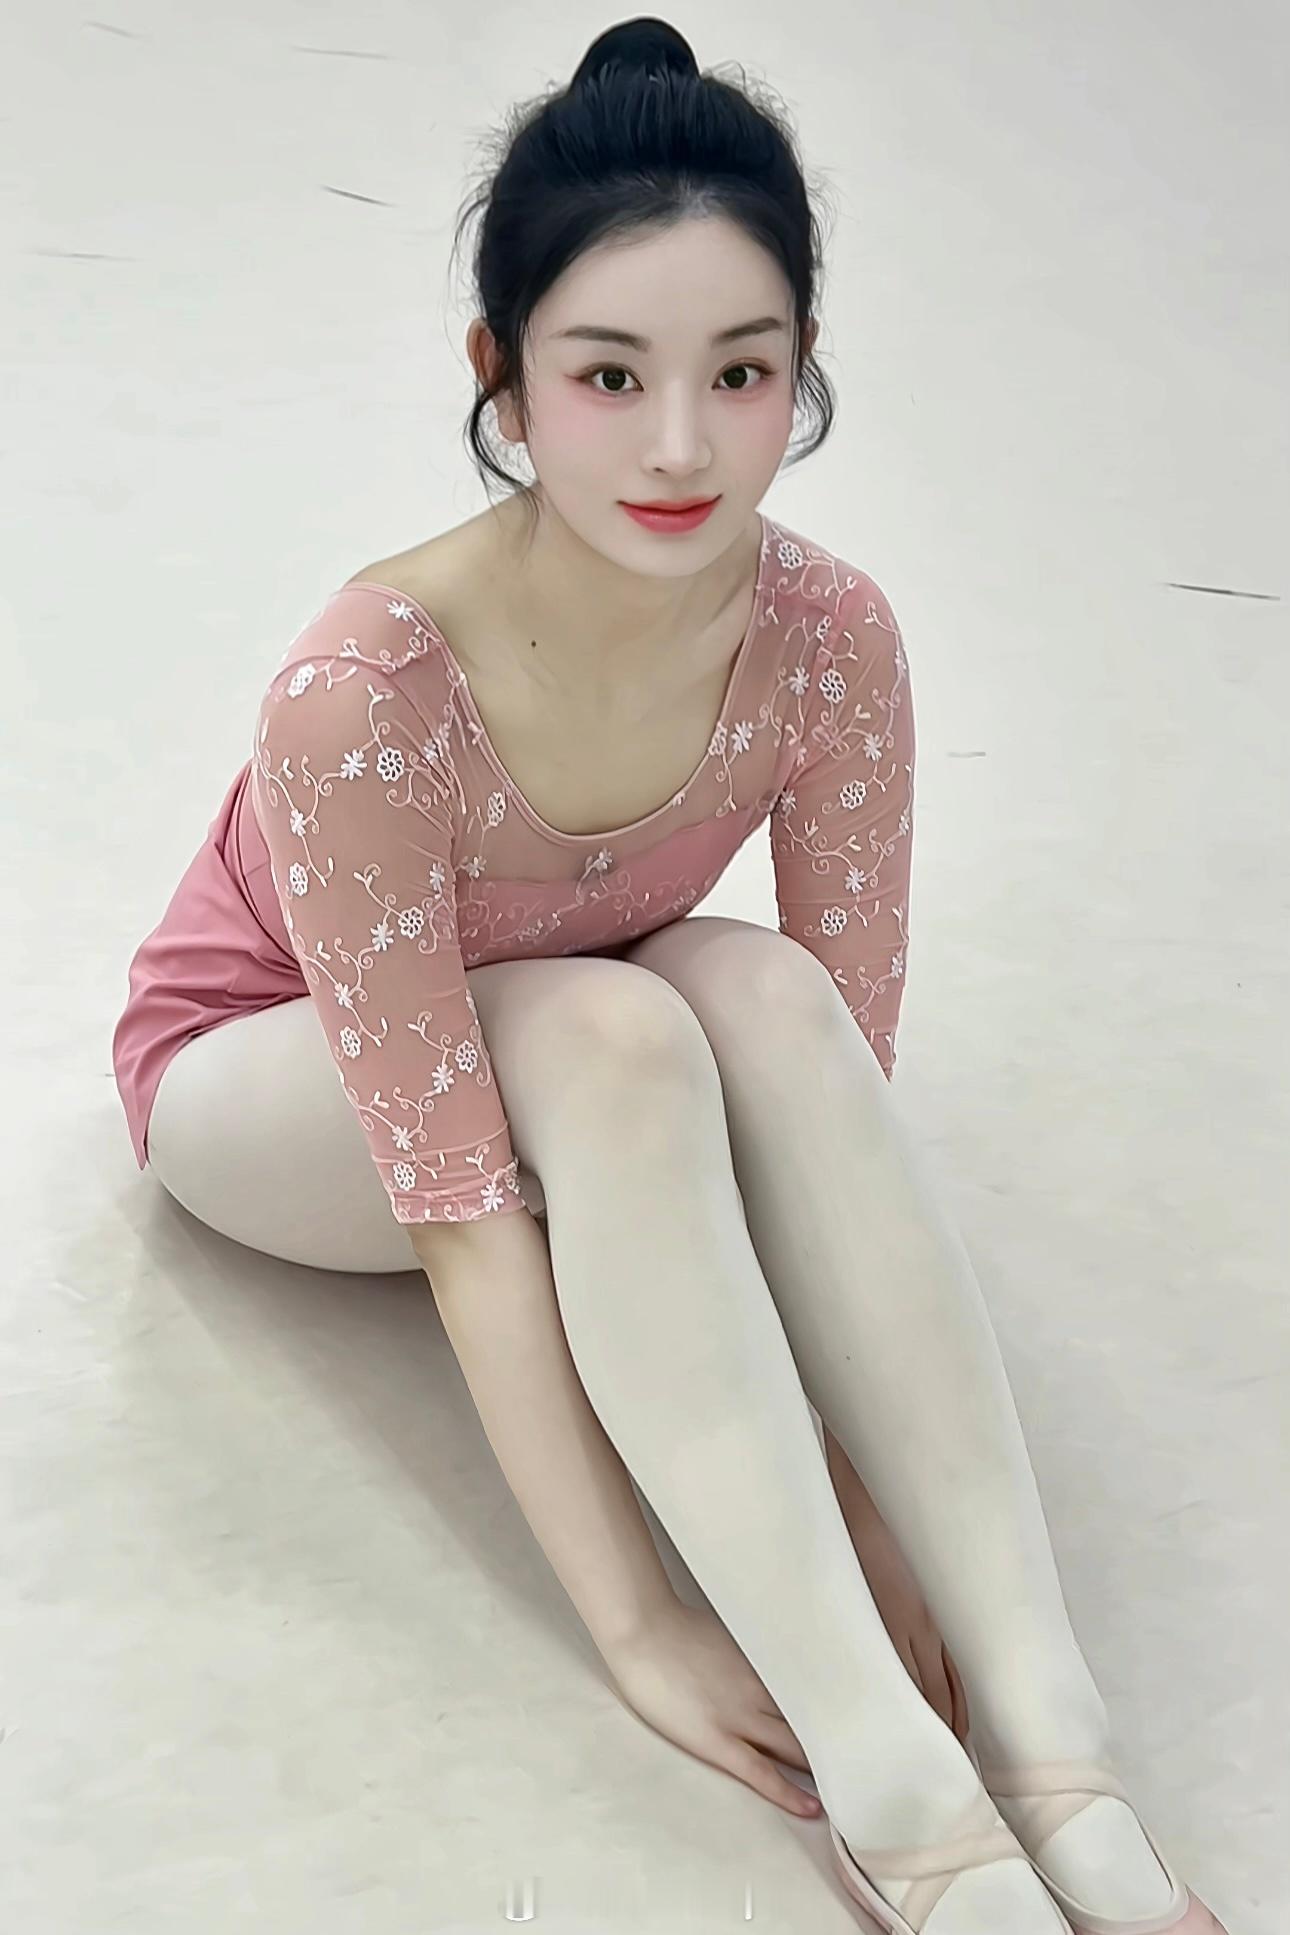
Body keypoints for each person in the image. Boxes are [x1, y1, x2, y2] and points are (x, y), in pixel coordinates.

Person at [110, 18, 1228, 1935]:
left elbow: (828, 1123)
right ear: (503, 377)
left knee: (763, 999)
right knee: (619, 1026)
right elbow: (461, 1216)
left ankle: (1051, 1736)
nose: (682, 446)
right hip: (268, 1079)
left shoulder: (829, 636)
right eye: (609, 375)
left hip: (581, 1026)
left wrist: (876, 1502)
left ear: (804, 366)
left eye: (741, 371)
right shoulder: (363, 695)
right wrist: (638, 1620)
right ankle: (888, 1778)